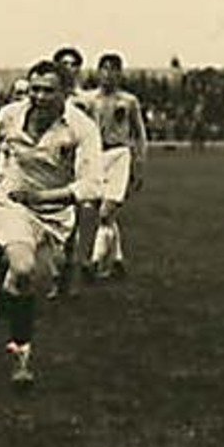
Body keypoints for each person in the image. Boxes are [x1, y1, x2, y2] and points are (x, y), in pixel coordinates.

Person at [0, 60, 102, 388]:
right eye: (34, 89)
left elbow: (91, 186)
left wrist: (44, 198)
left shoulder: (81, 128)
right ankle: (21, 361)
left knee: (21, 284)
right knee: (22, 268)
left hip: (55, 215)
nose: (39, 97)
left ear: (66, 92)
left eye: (48, 90)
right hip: (12, 202)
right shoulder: (12, 114)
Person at [83, 53, 148, 280]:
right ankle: (117, 260)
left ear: (120, 74)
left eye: (113, 69)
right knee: (106, 214)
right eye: (104, 69)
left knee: (105, 212)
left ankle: (94, 262)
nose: (108, 74)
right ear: (98, 71)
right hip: (97, 156)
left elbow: (139, 133)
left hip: (120, 155)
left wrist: (139, 163)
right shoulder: (89, 100)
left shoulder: (129, 101)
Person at [52, 46, 100, 292]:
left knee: (73, 223)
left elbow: (92, 134)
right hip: (52, 164)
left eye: (74, 64)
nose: (69, 68)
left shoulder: (84, 101)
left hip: (77, 164)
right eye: (64, 64)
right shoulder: (49, 97)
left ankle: (65, 277)